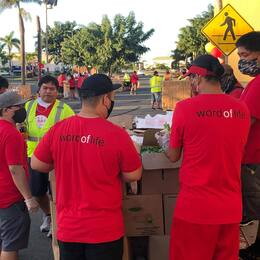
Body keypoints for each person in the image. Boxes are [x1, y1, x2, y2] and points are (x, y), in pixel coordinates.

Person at [31, 74, 142, 260]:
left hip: (68, 229)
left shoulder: (59, 129)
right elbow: (133, 174)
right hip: (104, 230)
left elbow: (36, 163)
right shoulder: (116, 134)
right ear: (106, 100)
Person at [166, 55, 250, 260]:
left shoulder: (185, 108)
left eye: (191, 78)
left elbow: (173, 155)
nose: (191, 83)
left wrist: (165, 142)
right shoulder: (241, 109)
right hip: (230, 207)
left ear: (198, 78)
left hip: (195, 208)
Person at [25, 75, 74, 237]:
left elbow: (74, 131)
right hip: (33, 156)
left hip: (57, 158)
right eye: (45, 88)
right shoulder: (28, 106)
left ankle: (57, 221)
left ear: (57, 91)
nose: (48, 91)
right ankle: (48, 215)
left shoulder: (64, 109)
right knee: (37, 191)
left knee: (58, 192)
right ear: (38, 90)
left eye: (52, 88)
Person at [0, 92, 39, 260]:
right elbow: (15, 169)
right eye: (20, 107)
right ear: (7, 110)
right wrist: (28, 198)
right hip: (9, 197)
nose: (23, 110)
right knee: (10, 244)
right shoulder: (11, 134)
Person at [235, 31, 260, 259]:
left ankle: (254, 248)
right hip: (252, 156)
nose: (242, 61)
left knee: (253, 204)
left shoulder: (258, 85)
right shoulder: (254, 84)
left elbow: (245, 122)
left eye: (245, 54)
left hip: (252, 157)